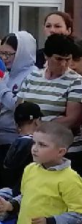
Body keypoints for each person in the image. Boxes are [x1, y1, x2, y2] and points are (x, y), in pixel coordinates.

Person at [17, 34, 82, 166]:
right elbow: (19, 106)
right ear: (46, 56)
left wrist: (38, 127)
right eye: (58, 59)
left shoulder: (76, 81)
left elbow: (72, 119)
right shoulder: (32, 77)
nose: (63, 64)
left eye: (67, 59)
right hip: (31, 147)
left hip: (62, 152)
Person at [0, 32, 39, 164]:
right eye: (1, 53)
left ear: (22, 53)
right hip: (1, 136)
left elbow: (19, 106)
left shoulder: (33, 75)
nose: (4, 58)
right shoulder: (8, 74)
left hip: (18, 139)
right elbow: (2, 100)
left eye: (9, 54)